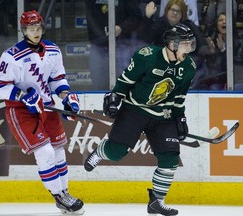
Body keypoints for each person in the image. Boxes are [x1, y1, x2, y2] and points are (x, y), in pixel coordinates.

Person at [84, 23, 196, 216]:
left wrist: (180, 119)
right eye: (185, 44)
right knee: (117, 152)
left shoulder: (188, 67)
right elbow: (127, 79)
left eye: (190, 43)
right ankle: (101, 151)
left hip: (163, 116)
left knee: (170, 158)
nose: (189, 47)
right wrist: (115, 97)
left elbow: (179, 97)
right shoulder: (148, 56)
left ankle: (157, 202)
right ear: (172, 43)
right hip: (134, 110)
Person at [0, 10, 84, 215]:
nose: (35, 32)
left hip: (46, 106)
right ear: (24, 30)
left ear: (43, 27)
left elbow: (57, 79)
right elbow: (0, 85)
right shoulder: (12, 55)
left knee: (59, 151)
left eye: (38, 28)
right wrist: (23, 96)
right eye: (31, 28)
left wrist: (67, 97)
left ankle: (65, 193)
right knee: (45, 152)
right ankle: (58, 196)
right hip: (21, 111)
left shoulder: (53, 50)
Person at [85, 0, 142, 90]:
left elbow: (136, 17)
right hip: (99, 46)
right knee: (98, 84)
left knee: (124, 83)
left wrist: (122, 28)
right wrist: (99, 37)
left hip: (123, 45)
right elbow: (91, 19)